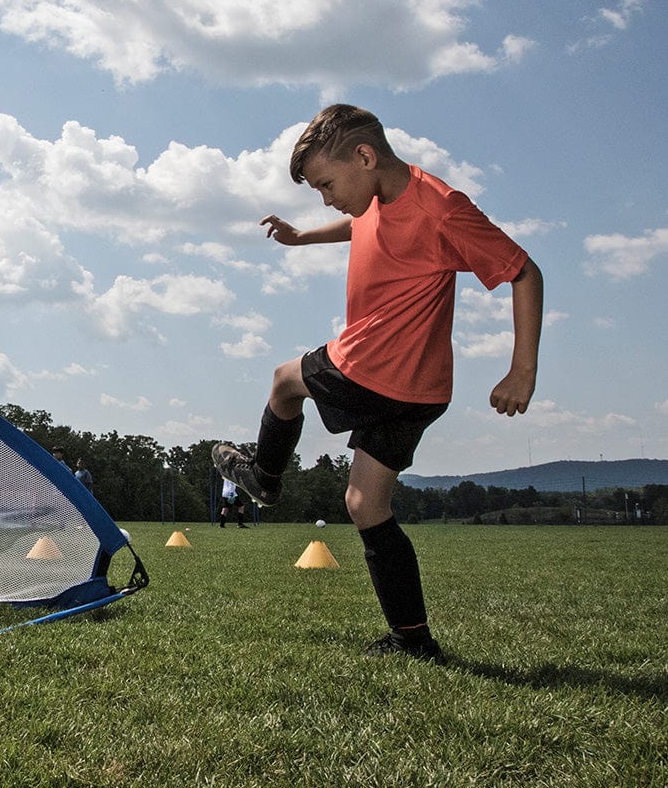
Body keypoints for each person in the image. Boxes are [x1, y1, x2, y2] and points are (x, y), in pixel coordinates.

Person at [212, 104, 544, 663]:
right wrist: (303, 238)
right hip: (421, 391)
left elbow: (523, 270)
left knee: (283, 380)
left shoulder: (441, 208)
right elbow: (360, 221)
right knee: (365, 505)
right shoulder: (377, 195)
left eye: (326, 184)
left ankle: (263, 479)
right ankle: (413, 639)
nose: (326, 198)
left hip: (371, 367)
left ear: (365, 156)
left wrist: (522, 370)